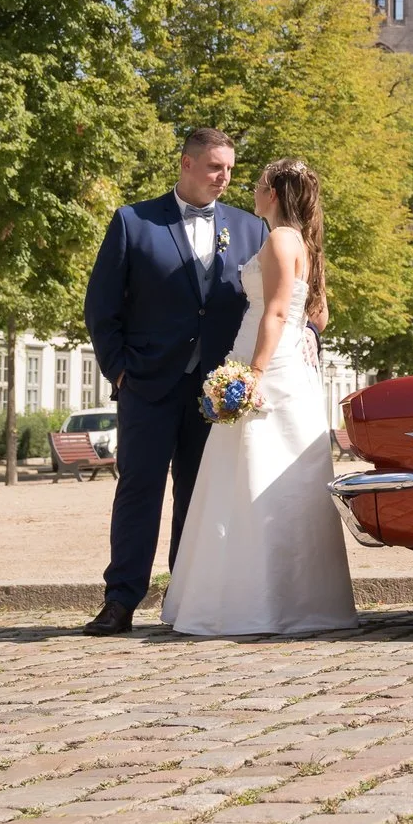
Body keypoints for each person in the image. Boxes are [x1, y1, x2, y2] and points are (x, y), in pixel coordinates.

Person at [160, 157, 359, 635]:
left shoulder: (280, 239)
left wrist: (252, 373)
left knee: (249, 475)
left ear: (272, 193)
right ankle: (292, 601)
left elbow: (274, 312)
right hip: (286, 365)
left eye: (258, 184)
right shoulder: (302, 242)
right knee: (272, 477)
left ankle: (250, 603)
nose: (251, 190)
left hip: (267, 365)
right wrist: (304, 334)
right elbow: (318, 314)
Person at [81, 127, 268, 635]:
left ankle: (186, 602)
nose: (224, 177)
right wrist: (120, 369)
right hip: (147, 384)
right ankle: (120, 601)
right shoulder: (133, 221)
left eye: (229, 169)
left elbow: (272, 302)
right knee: (138, 491)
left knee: (198, 498)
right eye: (214, 167)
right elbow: (101, 307)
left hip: (217, 392)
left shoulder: (251, 229)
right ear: (186, 164)